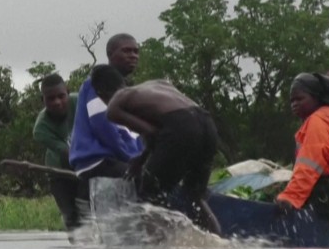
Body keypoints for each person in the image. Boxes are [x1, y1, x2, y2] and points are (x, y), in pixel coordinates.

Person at [90, 64, 221, 235]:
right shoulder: (157, 84)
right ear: (123, 81)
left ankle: (162, 245)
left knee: (149, 194)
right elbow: (164, 131)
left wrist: (141, 161)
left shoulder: (114, 105)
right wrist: (142, 158)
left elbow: (154, 133)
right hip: (207, 124)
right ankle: (217, 241)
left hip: (181, 126)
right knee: (195, 195)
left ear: (100, 94)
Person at [275, 73, 329, 221]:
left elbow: (309, 166)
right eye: (292, 101)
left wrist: (290, 198)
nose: (294, 104)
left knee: (275, 192)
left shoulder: (317, 122)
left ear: (316, 98)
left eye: (300, 99)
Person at [69, 34, 144, 198]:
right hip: (99, 160)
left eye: (136, 51)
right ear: (110, 54)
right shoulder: (98, 83)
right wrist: (131, 159)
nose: (133, 56)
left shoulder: (128, 91)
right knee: (152, 182)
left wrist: (142, 158)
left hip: (119, 159)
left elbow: (135, 133)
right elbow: (102, 126)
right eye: (126, 51)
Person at [32, 74, 81, 236]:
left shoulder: (80, 102)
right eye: (51, 98)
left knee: (91, 211)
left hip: (86, 165)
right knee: (71, 216)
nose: (57, 102)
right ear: (43, 100)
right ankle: (78, 245)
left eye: (61, 96)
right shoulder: (41, 128)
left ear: (68, 93)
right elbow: (67, 153)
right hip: (59, 172)